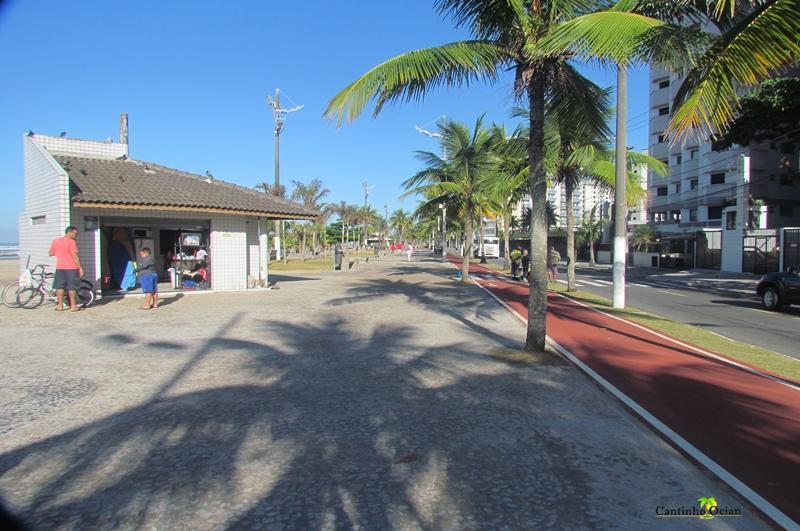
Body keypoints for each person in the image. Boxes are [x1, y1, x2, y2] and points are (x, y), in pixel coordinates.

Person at [48, 226, 84, 312]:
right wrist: (80, 268)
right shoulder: (71, 242)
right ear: (70, 232)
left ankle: (60, 306)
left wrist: (60, 252)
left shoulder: (56, 241)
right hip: (71, 267)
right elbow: (75, 256)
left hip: (60, 267)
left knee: (59, 287)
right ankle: (73, 306)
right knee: (72, 287)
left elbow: (50, 253)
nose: (76, 235)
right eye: (75, 233)